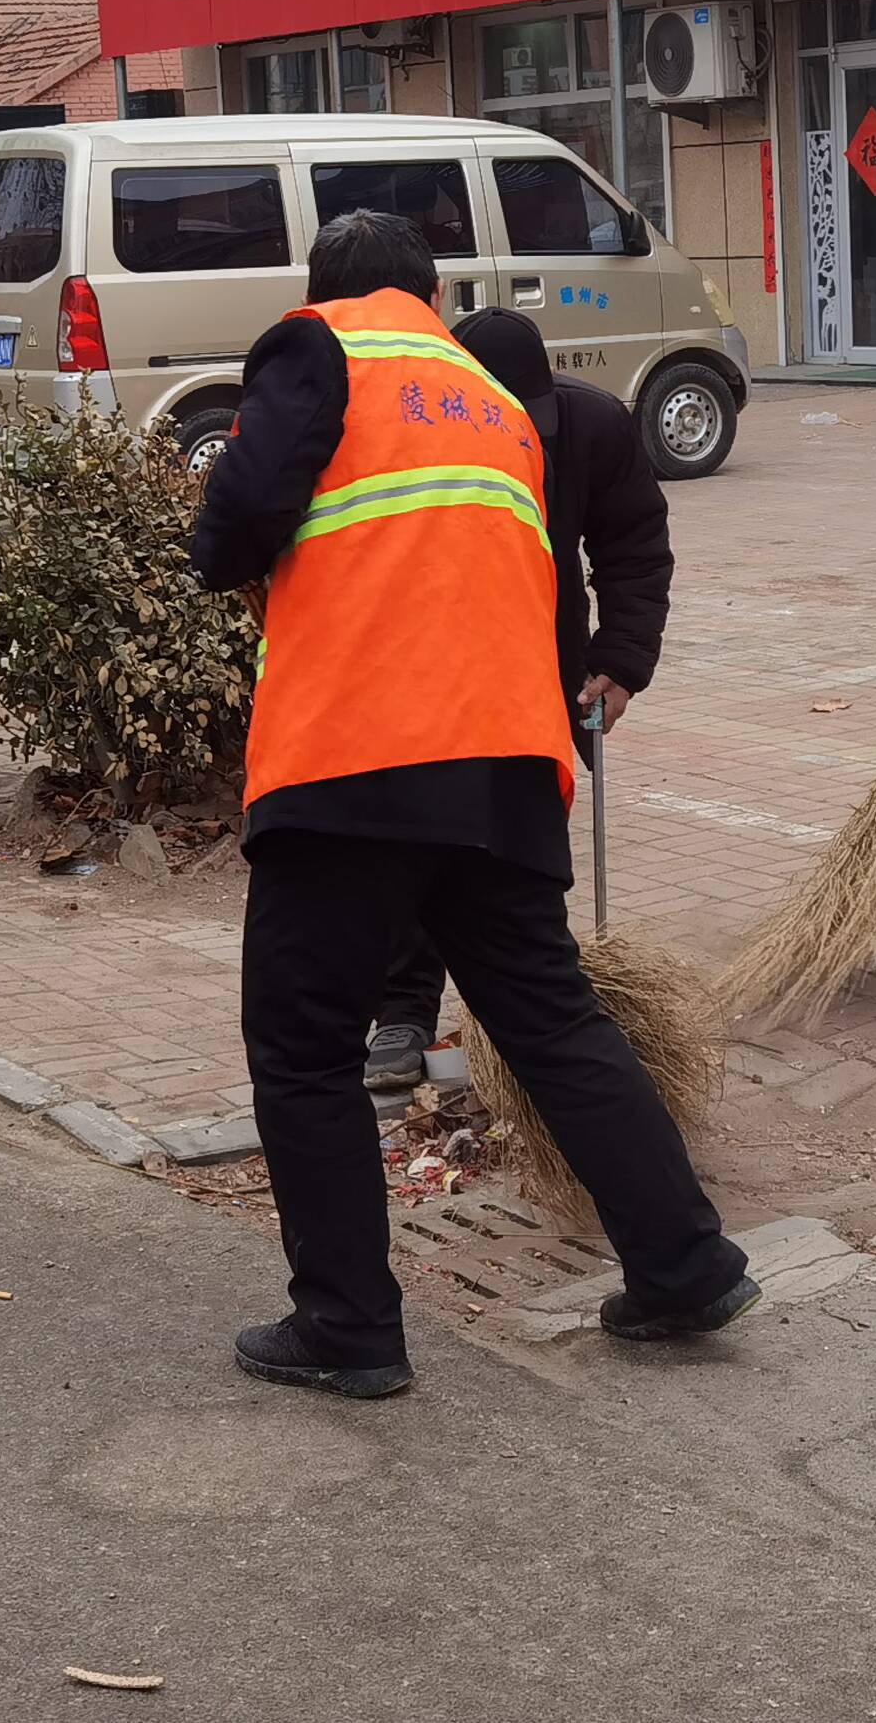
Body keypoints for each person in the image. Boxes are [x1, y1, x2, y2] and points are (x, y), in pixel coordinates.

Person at [189, 209, 753, 1396]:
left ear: (327, 292)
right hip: (505, 765)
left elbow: (231, 523)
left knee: (302, 1050)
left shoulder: (319, 349)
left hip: (357, 759)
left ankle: (348, 1326)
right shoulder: (491, 400)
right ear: (432, 295)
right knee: (552, 1023)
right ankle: (686, 1267)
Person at [362, 305, 676, 1093]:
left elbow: (633, 546)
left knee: (528, 836)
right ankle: (402, 1010)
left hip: (542, 656)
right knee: (422, 834)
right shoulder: (417, 423)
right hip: (428, 660)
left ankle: (539, 1015)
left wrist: (620, 661)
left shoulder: (593, 427)